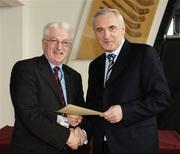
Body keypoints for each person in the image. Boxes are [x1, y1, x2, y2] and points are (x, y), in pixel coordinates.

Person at [82, 8, 171, 154]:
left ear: (123, 30)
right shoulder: (95, 65)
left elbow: (161, 98)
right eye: (100, 30)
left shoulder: (144, 54)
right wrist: (82, 128)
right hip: (102, 147)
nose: (106, 35)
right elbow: (94, 107)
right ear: (95, 34)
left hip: (135, 146)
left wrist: (125, 111)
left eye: (112, 28)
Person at [9, 22, 85, 154]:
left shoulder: (74, 76)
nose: (59, 47)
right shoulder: (25, 69)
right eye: (54, 41)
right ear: (43, 43)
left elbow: (80, 108)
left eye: (65, 42)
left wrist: (79, 124)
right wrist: (67, 136)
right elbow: (29, 113)